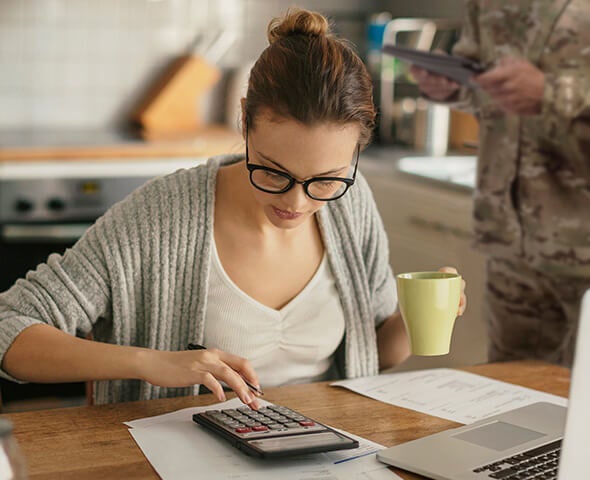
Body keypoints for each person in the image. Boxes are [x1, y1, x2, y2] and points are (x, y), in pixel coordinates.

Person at [0, 8, 466, 408]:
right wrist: (151, 362)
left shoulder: (352, 202)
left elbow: (378, 353)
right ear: (244, 120)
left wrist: (417, 316)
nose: (296, 202)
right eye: (273, 171)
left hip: (328, 451)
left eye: (325, 180)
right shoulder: (160, 218)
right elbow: (8, 329)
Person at [410, 0, 590, 367]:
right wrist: (450, 86)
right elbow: (481, 80)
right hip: (510, 243)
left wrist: (550, 92)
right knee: (514, 396)